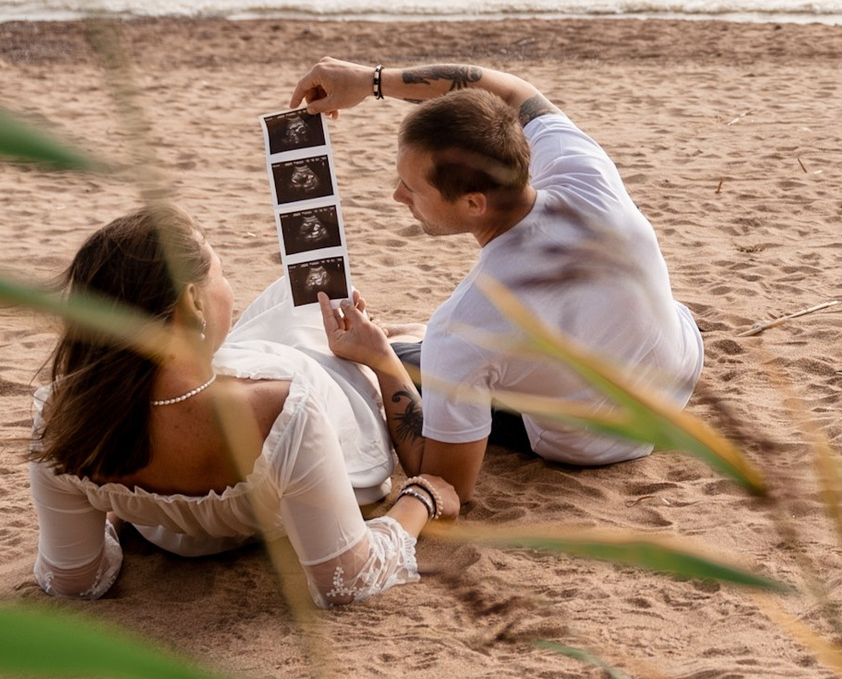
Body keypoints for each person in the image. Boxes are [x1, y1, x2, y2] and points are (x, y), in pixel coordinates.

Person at [289, 57, 703, 508]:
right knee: (451, 350)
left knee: (397, 361)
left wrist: (380, 360)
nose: (397, 195)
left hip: (599, 443)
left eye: (411, 187)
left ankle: (394, 345)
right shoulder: (584, 172)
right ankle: (406, 339)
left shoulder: (465, 324)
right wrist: (369, 81)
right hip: (677, 375)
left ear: (473, 203)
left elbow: (446, 484)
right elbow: (509, 91)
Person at [26, 209, 460, 607]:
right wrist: (419, 499)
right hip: (314, 440)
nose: (227, 287)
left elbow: (73, 580)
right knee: (307, 308)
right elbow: (349, 578)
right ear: (194, 302)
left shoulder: (63, 415)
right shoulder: (281, 409)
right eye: (221, 273)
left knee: (292, 307)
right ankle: (386, 347)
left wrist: (119, 511)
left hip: (178, 527)